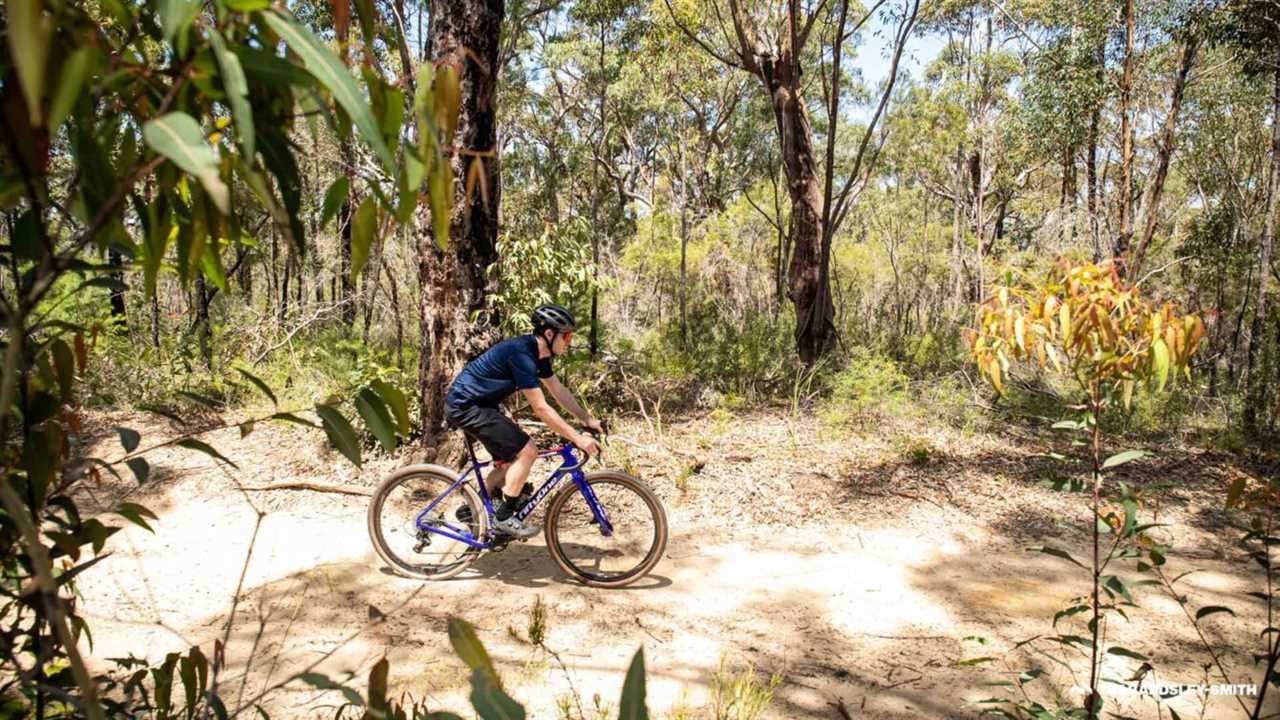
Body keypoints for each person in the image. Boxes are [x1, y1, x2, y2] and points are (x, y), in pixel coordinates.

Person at [444, 304, 603, 539]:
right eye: (566, 335)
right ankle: (504, 517)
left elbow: (559, 391)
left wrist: (588, 419)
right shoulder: (522, 355)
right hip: (467, 405)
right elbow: (541, 408)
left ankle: (475, 508)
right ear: (549, 334)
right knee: (528, 451)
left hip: (482, 405)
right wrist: (577, 437)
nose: (569, 341)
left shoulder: (540, 356)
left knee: (509, 462)